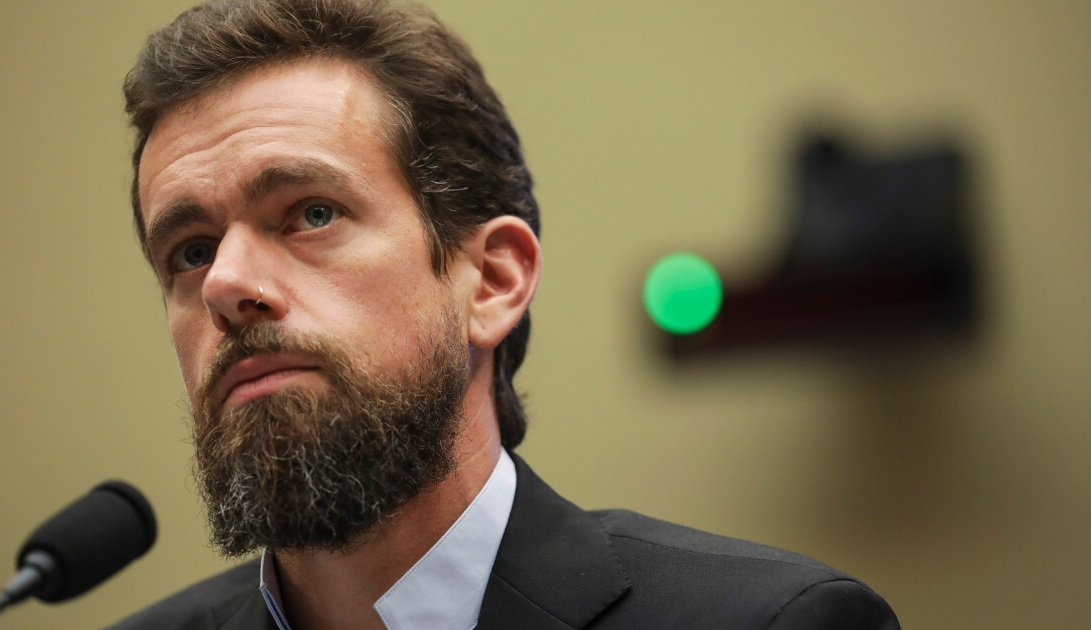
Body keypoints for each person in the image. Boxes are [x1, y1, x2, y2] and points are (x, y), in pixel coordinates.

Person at [111, 1, 900, 628]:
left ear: (489, 281)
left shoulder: (772, 623)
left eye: (310, 213)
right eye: (190, 250)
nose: (226, 282)